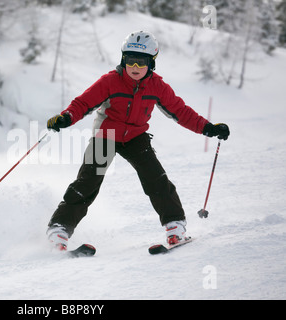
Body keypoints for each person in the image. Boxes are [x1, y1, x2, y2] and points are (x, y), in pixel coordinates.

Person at [46, 31, 230, 251]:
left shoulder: (157, 87)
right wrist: (66, 117)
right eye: (129, 60)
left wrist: (208, 128)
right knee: (89, 180)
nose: (134, 66)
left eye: (140, 62)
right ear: (123, 60)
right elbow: (83, 103)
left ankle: (174, 226)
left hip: (135, 137)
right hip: (107, 135)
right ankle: (59, 229)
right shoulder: (110, 81)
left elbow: (180, 111)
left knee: (156, 178)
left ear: (151, 63)